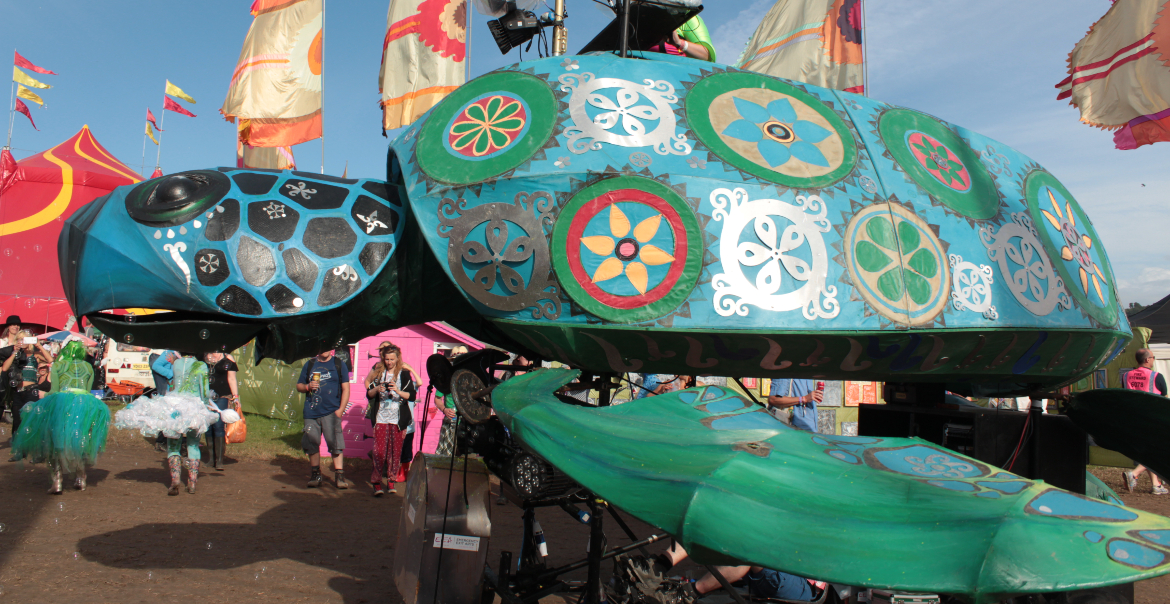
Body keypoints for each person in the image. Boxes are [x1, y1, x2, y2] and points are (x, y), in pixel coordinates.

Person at [10, 341, 109, 494]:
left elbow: (54, 390)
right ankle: (80, 477)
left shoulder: (58, 365)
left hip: (61, 403)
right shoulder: (88, 367)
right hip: (84, 404)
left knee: (54, 441)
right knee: (79, 439)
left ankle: (57, 482)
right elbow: (87, 390)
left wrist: (44, 396)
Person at [114, 354, 220, 495]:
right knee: (193, 444)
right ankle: (192, 483)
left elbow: (173, 385)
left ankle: (175, 481)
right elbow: (205, 391)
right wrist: (206, 407)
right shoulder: (200, 365)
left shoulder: (176, 364)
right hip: (193, 407)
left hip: (174, 405)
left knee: (173, 444)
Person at [618, 541, 814, 604]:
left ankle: (684, 595)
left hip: (801, 586)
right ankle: (657, 566)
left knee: (747, 552)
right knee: (712, 524)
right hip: (774, 570)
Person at [365, 344, 417, 496]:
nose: (389, 362)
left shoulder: (404, 374)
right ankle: (376, 482)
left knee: (395, 452)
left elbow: (412, 396)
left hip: (398, 420)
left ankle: (391, 480)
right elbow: (369, 393)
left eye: (392, 359)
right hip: (381, 418)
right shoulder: (378, 372)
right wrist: (376, 389)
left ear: (397, 358)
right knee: (379, 451)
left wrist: (397, 390)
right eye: (387, 359)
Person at [296, 348, 352, 489]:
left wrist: (339, 411)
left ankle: (339, 476)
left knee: (336, 444)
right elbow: (299, 386)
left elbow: (346, 389)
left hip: (331, 412)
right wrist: (308, 386)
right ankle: (316, 475)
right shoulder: (310, 364)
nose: (325, 350)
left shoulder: (339, 364)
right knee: (311, 443)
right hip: (311, 412)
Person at [1122, 348, 1167, 495]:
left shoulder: (1126, 376)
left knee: (1148, 451)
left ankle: (1156, 485)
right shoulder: (1156, 376)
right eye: (1153, 357)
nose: (1153, 360)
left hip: (1133, 420)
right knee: (1155, 453)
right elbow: (1164, 402)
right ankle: (1133, 474)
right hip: (1152, 420)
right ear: (1147, 360)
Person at [2, 330, 53, 459]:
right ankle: (19, 450)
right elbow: (4, 368)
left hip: (31, 391)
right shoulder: (16, 355)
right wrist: (14, 352)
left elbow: (50, 359)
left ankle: (36, 451)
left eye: (25, 339)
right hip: (18, 392)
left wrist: (39, 345)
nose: (22, 342)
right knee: (17, 422)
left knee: (33, 421)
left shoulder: (35, 355)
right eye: (19, 339)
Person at [204, 351, 239, 471]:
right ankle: (211, 458)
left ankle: (219, 460)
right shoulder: (203, 355)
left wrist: (235, 397)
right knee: (207, 426)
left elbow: (232, 379)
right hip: (205, 397)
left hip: (222, 396)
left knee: (218, 425)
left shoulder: (227, 358)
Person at [648, 15, 715, 62]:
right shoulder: (641, 17)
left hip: (679, 77)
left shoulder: (689, 18)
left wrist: (679, 43)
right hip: (645, 76)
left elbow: (707, 56)